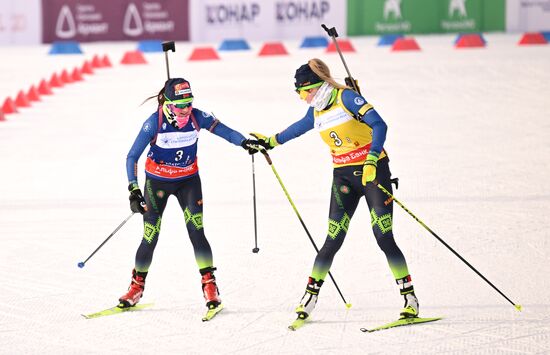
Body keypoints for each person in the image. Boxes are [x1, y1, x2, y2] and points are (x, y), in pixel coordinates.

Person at [252, 58, 419, 321]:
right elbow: (298, 128)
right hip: (342, 177)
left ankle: (409, 297)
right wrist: (271, 141)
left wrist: (373, 158)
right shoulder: (317, 109)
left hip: (372, 172)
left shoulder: (346, 98)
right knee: (332, 239)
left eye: (303, 92)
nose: (302, 98)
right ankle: (309, 297)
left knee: (383, 236)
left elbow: (380, 125)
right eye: (298, 93)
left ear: (316, 86)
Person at [119, 77, 261, 313]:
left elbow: (223, 130)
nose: (186, 110)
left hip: (188, 182)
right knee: (150, 236)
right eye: (180, 105)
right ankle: (136, 288)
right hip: (157, 184)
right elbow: (132, 156)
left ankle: (210, 285)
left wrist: (244, 143)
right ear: (168, 103)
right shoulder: (154, 122)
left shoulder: (197, 116)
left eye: (189, 103)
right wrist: (133, 189)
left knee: (197, 231)